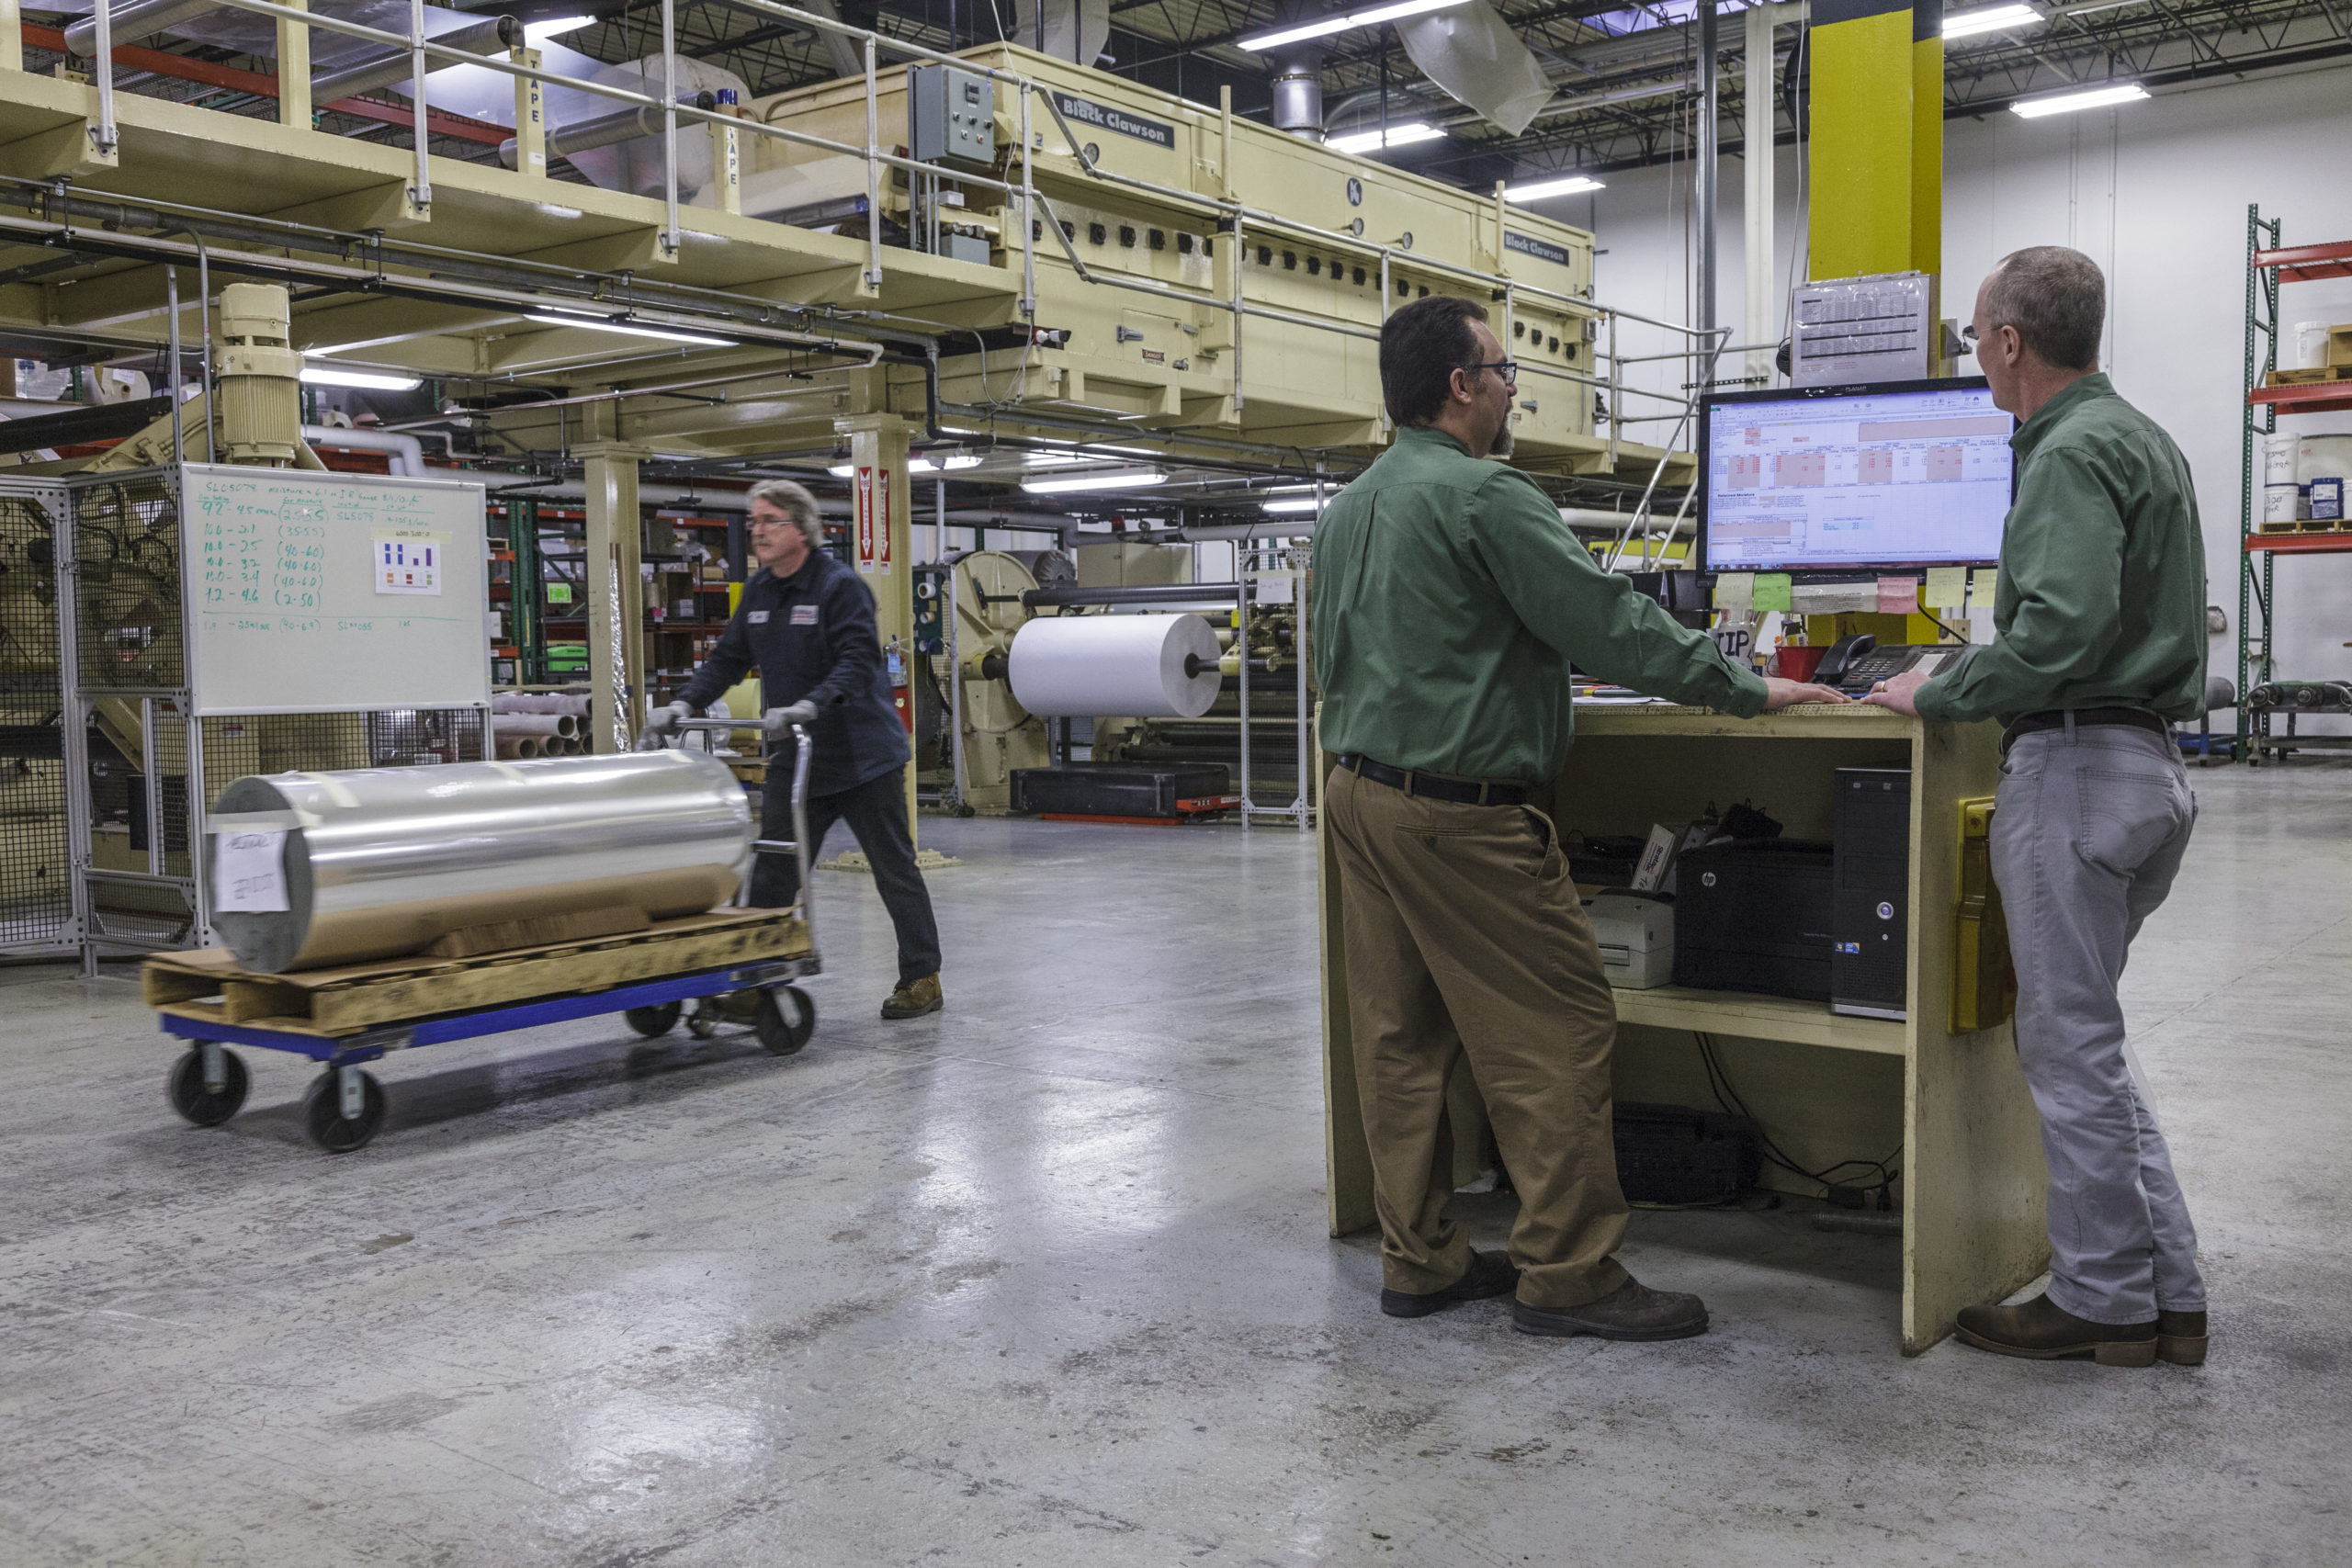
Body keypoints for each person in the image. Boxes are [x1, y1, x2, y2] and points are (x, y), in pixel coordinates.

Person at [1312, 295, 1848, 1342]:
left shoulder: (1349, 509)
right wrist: (1743, 689)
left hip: (1357, 797)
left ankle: (1419, 1258)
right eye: (1504, 370)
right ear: (1461, 387)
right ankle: (1568, 1272)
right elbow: (1605, 626)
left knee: (1402, 1038)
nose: (1514, 387)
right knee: (1557, 1030)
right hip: (1459, 817)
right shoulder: (1485, 496)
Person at [1866, 246, 2208, 1369]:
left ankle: (2104, 1304)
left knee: (2068, 1051)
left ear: (2012, 341)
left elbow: (2057, 632)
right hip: (2142, 767)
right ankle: (2167, 1295)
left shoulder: (2064, 451)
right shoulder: (2139, 436)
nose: (1975, 358)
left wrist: (1940, 686)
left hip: (2075, 769)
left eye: (1973, 338)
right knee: (2090, 1045)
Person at [657, 479, 944, 1021]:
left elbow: (859, 661)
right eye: (754, 521)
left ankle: (922, 976)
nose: (757, 531)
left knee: (892, 868)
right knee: (774, 869)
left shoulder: (840, 587)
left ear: (801, 529)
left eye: (769, 521)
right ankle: (757, 977)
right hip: (799, 752)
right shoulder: (760, 591)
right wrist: (682, 702)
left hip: (862, 755)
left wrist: (811, 703)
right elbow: (727, 659)